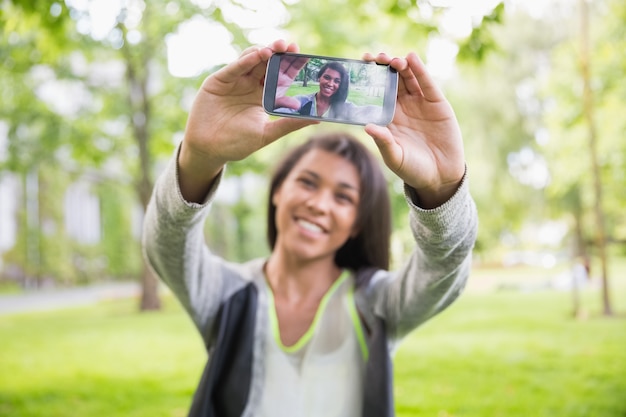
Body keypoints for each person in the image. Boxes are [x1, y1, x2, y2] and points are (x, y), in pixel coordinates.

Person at [142, 39, 478, 417]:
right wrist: (200, 158)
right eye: (307, 182)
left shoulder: (379, 303)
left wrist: (440, 188)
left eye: (344, 197)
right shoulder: (227, 293)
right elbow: (166, 242)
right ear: (278, 191)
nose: (319, 204)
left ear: (357, 224)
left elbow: (444, 266)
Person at [273, 56, 383, 123]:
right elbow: (280, 111)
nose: (330, 84)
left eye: (337, 81)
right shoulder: (302, 101)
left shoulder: (344, 107)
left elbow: (369, 112)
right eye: (327, 77)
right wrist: (273, 101)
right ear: (319, 78)